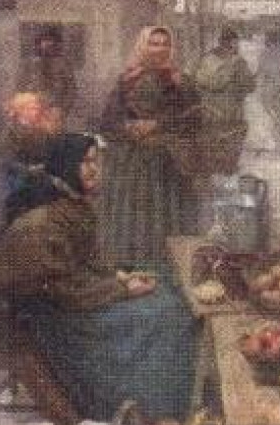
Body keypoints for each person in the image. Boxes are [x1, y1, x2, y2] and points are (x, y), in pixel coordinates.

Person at [0, 133, 197, 422]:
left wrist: (118, 275)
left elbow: (83, 262)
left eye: (96, 161)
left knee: (165, 284)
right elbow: (64, 290)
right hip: (39, 318)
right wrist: (122, 289)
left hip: (64, 299)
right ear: (66, 165)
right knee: (163, 315)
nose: (94, 169)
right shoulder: (42, 222)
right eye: (85, 162)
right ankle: (155, 407)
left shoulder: (71, 205)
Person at [97, 26, 201, 270]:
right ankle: (130, 264)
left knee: (167, 217)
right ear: (143, 46)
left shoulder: (181, 82)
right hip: (132, 165)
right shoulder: (127, 80)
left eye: (165, 43)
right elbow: (107, 121)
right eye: (154, 43)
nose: (160, 49)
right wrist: (129, 127)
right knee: (135, 217)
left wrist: (158, 124)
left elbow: (194, 120)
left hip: (168, 163)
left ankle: (167, 266)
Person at [0, 92, 62, 229]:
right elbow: (6, 159)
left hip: (36, 174)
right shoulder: (11, 131)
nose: (36, 111)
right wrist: (27, 170)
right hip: (13, 176)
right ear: (21, 111)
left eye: (37, 108)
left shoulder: (41, 131)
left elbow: (48, 154)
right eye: (32, 108)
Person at [190, 27, 257, 175]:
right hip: (231, 111)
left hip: (207, 110)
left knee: (210, 140)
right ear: (232, 42)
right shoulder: (238, 62)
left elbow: (194, 80)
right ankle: (227, 170)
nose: (237, 45)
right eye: (236, 42)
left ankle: (209, 168)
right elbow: (250, 86)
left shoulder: (206, 58)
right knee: (231, 140)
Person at [18, 27, 77, 119]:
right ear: (39, 43)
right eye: (44, 40)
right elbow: (21, 87)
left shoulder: (63, 64)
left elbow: (71, 91)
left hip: (55, 111)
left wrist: (62, 110)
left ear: (56, 43)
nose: (47, 44)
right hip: (33, 111)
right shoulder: (29, 64)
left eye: (51, 40)